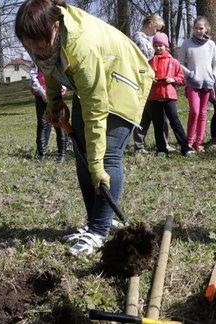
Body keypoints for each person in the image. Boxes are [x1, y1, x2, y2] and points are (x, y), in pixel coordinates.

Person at [15, 0, 153, 256]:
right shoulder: (42, 39)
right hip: (90, 84)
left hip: (123, 80)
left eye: (38, 42)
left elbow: (97, 108)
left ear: (56, 26)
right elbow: (50, 68)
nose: (34, 48)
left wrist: (97, 165)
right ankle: (95, 223)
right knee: (81, 154)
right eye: (28, 42)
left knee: (105, 156)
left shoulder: (82, 45)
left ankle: (100, 230)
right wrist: (54, 99)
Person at [146, 32, 195, 157]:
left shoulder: (173, 62)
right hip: (154, 97)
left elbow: (181, 78)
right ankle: (161, 149)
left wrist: (173, 80)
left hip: (169, 97)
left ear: (166, 46)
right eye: (156, 45)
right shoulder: (149, 62)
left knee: (175, 122)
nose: (158, 48)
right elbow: (144, 77)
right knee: (157, 124)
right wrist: (150, 80)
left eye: (160, 45)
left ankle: (185, 148)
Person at [132, 14, 172, 154]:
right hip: (144, 83)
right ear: (150, 24)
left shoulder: (145, 40)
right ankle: (139, 145)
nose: (157, 32)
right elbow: (144, 63)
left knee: (153, 114)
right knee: (144, 115)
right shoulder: (139, 39)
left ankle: (161, 143)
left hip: (151, 83)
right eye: (157, 28)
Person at [178, 16, 216, 152]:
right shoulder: (187, 43)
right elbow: (179, 63)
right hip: (192, 83)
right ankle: (189, 141)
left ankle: (198, 143)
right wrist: (190, 74)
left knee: (203, 113)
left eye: (201, 28)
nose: (198, 30)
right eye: (196, 28)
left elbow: (214, 64)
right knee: (194, 111)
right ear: (193, 29)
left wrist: (214, 76)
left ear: (206, 29)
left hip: (207, 83)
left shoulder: (211, 44)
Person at [29, 63, 67, 162]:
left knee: (58, 122)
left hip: (56, 93)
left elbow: (64, 75)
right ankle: (41, 153)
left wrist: (60, 90)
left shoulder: (58, 58)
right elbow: (33, 77)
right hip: (40, 95)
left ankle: (62, 153)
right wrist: (42, 93)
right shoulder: (36, 60)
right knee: (42, 123)